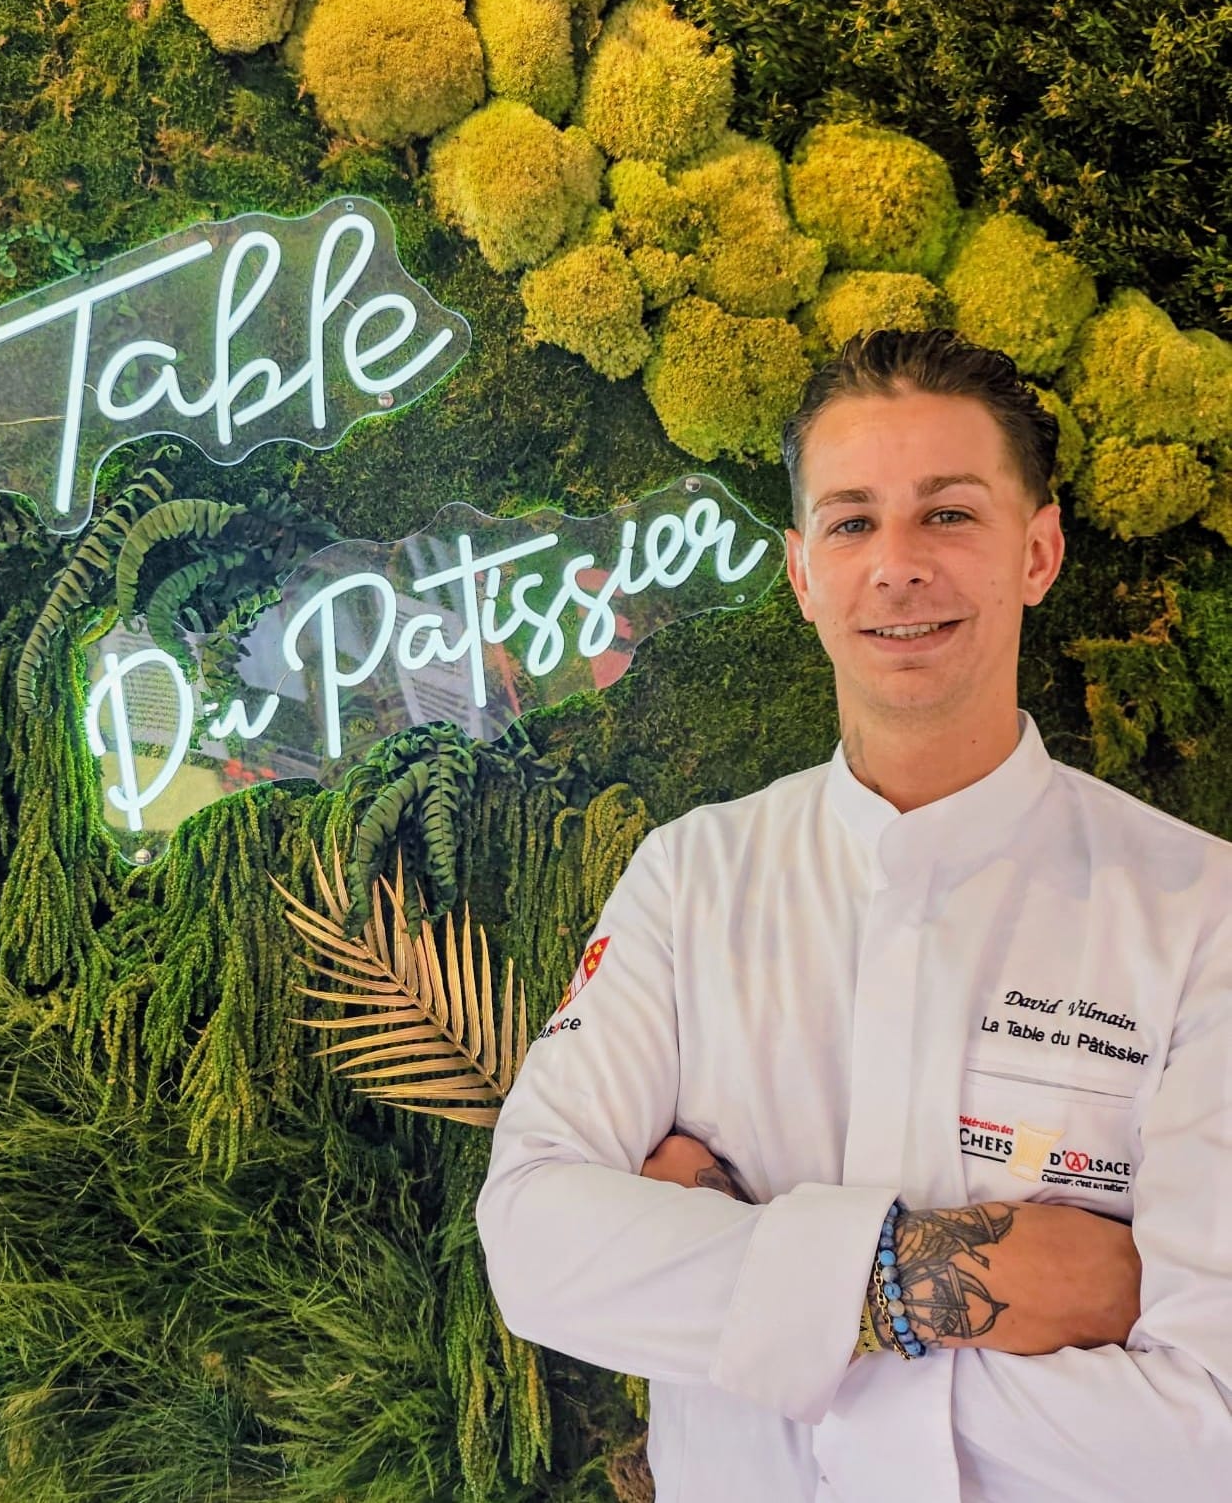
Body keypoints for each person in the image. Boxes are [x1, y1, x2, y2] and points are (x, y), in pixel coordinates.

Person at [474, 328, 1232, 1502]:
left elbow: (1206, 1431)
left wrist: (755, 1294)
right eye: (851, 521)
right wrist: (931, 1282)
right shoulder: (691, 878)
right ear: (801, 573)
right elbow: (532, 1239)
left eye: (950, 514)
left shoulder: (1201, 912)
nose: (896, 565)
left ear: (1038, 551)